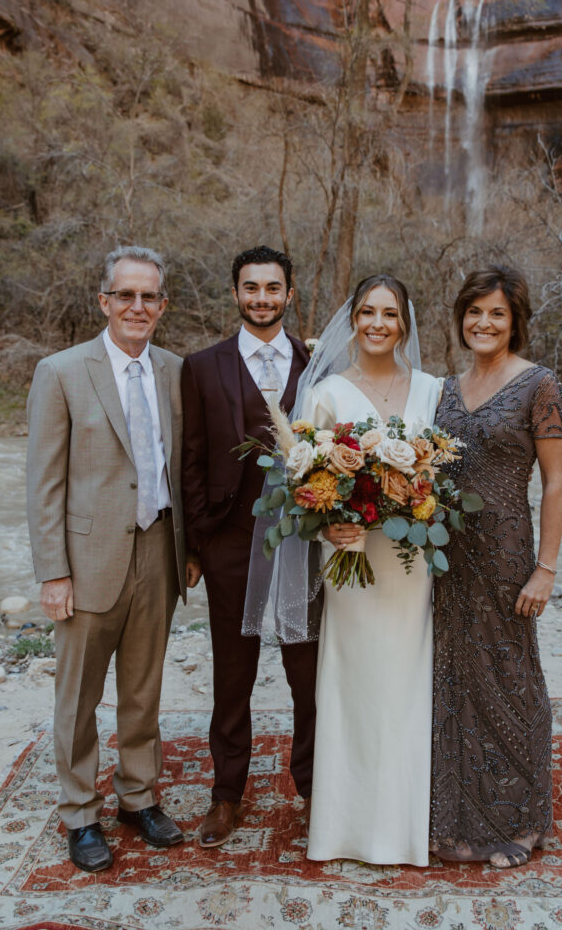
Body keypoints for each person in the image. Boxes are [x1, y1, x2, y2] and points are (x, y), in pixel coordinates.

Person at [255, 274, 440, 866]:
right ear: (353, 320)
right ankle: (344, 828)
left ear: (405, 323)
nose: (378, 323)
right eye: (367, 312)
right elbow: (300, 483)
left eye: (389, 313)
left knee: (407, 688)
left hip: (411, 569)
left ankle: (404, 828)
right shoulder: (327, 392)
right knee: (355, 687)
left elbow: (445, 475)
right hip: (352, 557)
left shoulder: (434, 391)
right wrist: (326, 522)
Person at [26, 246, 199, 873]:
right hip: (87, 556)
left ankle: (138, 797)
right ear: (104, 302)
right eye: (125, 295)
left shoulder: (177, 372)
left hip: (159, 548)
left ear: (163, 305)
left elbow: (186, 467)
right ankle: (79, 813)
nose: (137, 306)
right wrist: (52, 571)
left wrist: (192, 551)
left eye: (149, 296)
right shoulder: (62, 371)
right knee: (77, 696)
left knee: (143, 689)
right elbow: (43, 481)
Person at [430, 265, 562, 869]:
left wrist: (546, 569)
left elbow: (558, 483)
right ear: (461, 317)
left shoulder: (539, 384)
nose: (483, 323)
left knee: (511, 680)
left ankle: (523, 820)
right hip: (446, 555)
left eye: (497, 314)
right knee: (453, 680)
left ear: (515, 323)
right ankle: (457, 819)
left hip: (508, 555)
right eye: (474, 312)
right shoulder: (443, 388)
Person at [181, 246, 318, 848]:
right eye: (250, 287)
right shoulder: (203, 366)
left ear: (291, 294)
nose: (261, 297)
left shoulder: (318, 366)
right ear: (235, 294)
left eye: (272, 288)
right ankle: (226, 794)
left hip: (302, 543)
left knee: (308, 673)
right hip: (230, 540)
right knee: (232, 673)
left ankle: (314, 787)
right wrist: (195, 544)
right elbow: (189, 459)